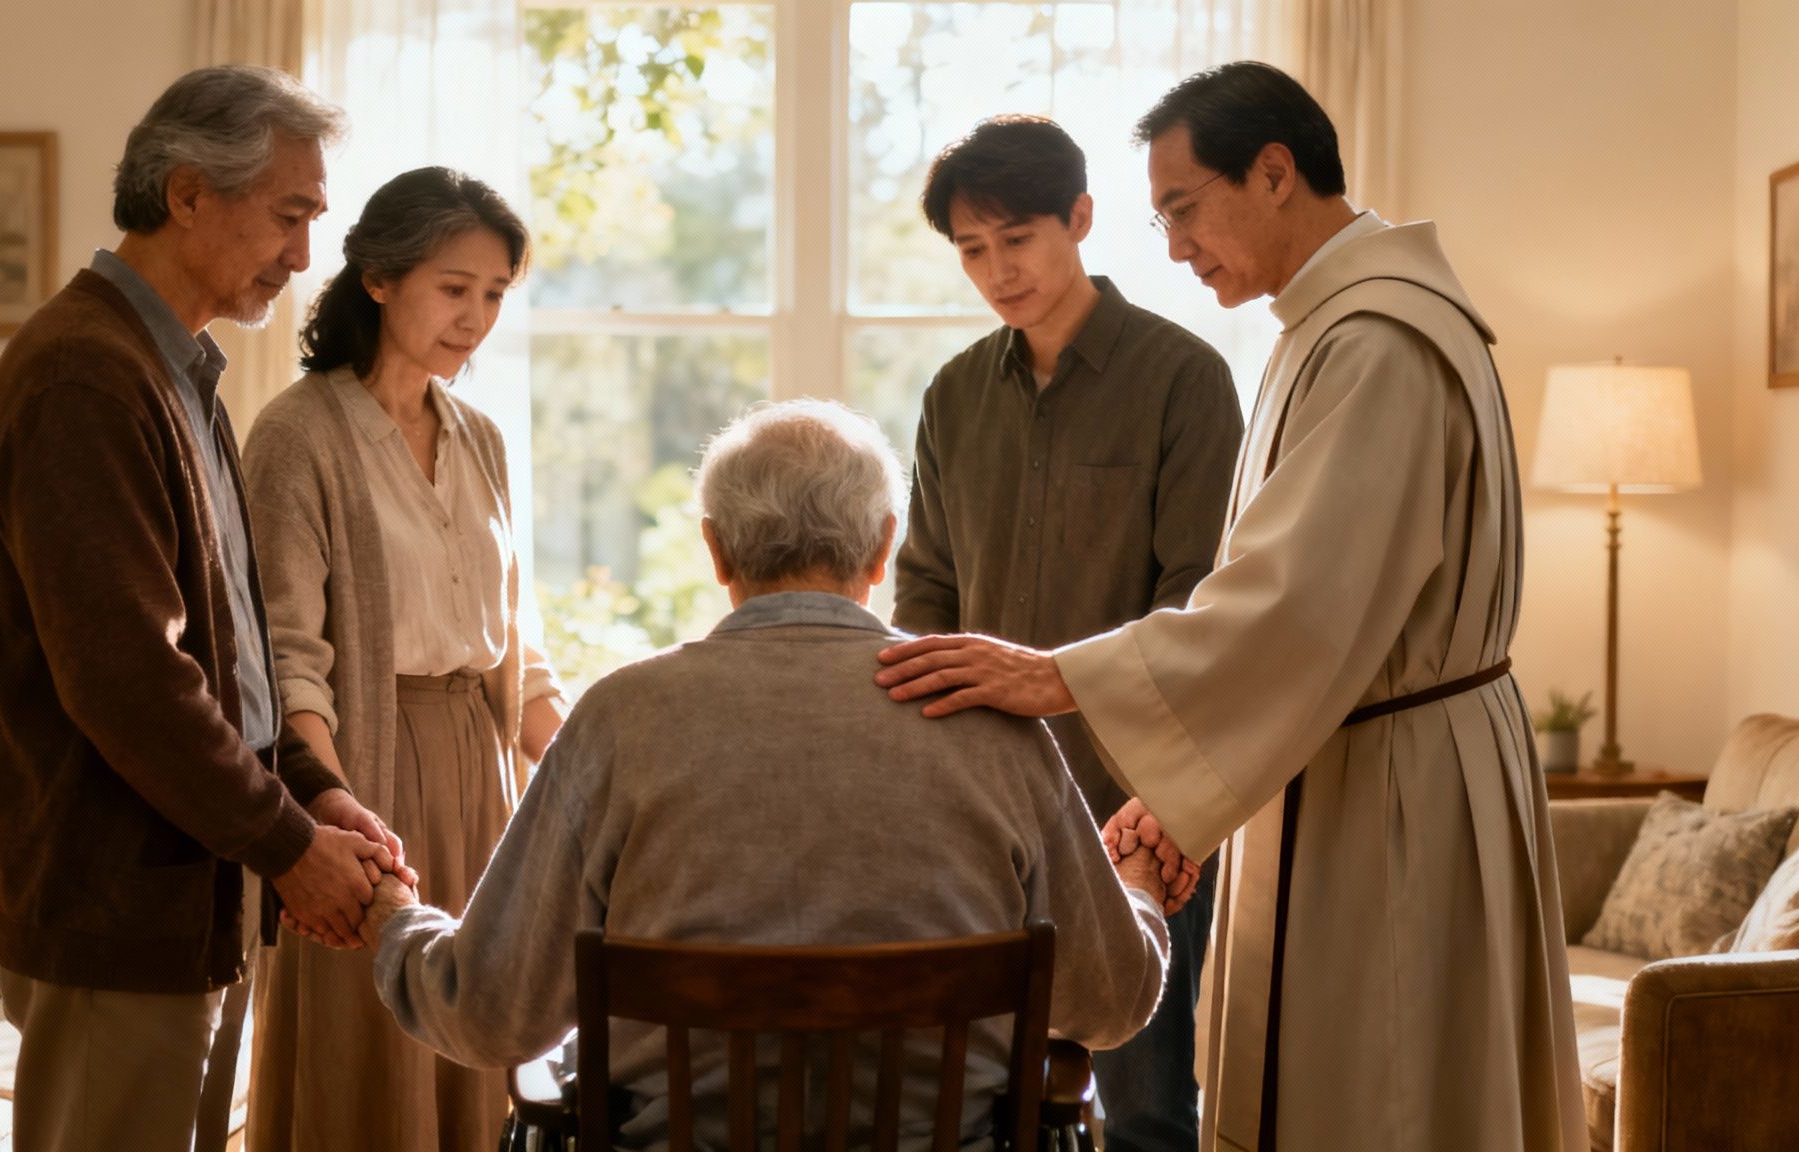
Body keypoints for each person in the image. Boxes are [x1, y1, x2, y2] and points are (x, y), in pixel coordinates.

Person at [874, 62, 1585, 1151]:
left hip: (1390, 785)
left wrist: (1058, 681)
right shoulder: (1330, 327)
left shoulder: (1373, 342)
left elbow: (1282, 605)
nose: (1172, 247)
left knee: (1379, 1096)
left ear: (1271, 172)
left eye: (1183, 209)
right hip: (1319, 754)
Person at [359, 399, 1172, 1149]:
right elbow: (1111, 1000)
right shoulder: (989, 722)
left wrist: (395, 916)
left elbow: (488, 1013)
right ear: (886, 547)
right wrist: (1135, 882)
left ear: (714, 549)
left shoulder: (619, 720)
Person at [0, 65, 408, 1152]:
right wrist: (286, 842)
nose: (306, 257)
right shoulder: (86, 378)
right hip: (114, 904)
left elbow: (228, 655)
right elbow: (127, 678)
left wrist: (310, 792)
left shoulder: (174, 375)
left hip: (181, 896)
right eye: (290, 214)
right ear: (187, 194)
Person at [895, 113, 1243, 1152]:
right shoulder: (953, 396)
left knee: (1145, 1105)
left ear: (1079, 219)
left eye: (1016, 238)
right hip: (984, 807)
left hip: (1136, 810)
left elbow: (1201, 603)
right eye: (970, 250)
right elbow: (924, 586)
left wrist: (1156, 795)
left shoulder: (1183, 380)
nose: (996, 271)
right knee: (987, 1091)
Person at [241, 166, 568, 1152]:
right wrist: (331, 822)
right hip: (360, 773)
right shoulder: (297, 434)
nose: (474, 317)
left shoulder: (484, 440)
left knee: (480, 1033)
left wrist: (586, 773)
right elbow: (285, 659)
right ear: (379, 277)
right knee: (363, 1048)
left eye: (495, 296)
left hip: (481, 772)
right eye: (453, 287)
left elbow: (518, 644)